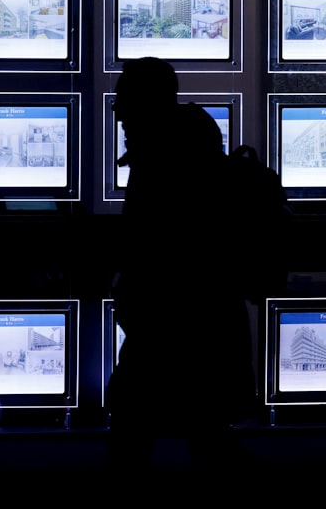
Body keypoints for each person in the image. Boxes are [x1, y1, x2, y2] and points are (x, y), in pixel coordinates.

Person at [105, 57, 258, 481]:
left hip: (166, 333)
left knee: (134, 437)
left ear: (145, 102)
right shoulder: (194, 153)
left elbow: (156, 255)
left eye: (123, 100)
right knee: (206, 437)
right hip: (203, 332)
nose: (117, 111)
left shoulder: (160, 166)